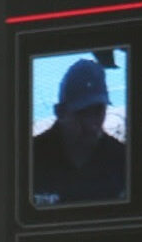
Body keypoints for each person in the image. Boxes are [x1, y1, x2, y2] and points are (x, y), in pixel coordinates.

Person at [31, 57, 126, 206]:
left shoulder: (122, 161)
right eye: (82, 113)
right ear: (60, 112)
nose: (91, 125)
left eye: (98, 111)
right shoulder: (30, 160)